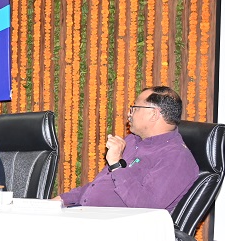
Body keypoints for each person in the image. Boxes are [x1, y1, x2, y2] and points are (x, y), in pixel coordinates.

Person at [58, 86, 199, 211]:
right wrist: (61, 200)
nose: (129, 114)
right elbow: (100, 185)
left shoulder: (176, 157)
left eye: (135, 108)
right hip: (87, 215)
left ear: (154, 114)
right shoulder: (132, 141)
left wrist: (116, 165)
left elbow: (146, 206)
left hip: (124, 227)